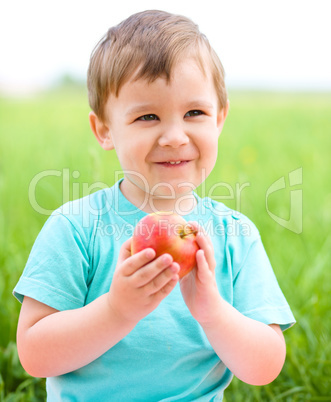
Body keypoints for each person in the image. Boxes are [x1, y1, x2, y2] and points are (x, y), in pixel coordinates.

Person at [13, 10, 295, 401]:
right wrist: (116, 311)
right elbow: (34, 355)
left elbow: (264, 368)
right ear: (105, 130)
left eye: (194, 112)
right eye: (148, 116)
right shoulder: (76, 227)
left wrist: (214, 313)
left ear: (220, 118)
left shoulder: (235, 235)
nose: (175, 136)